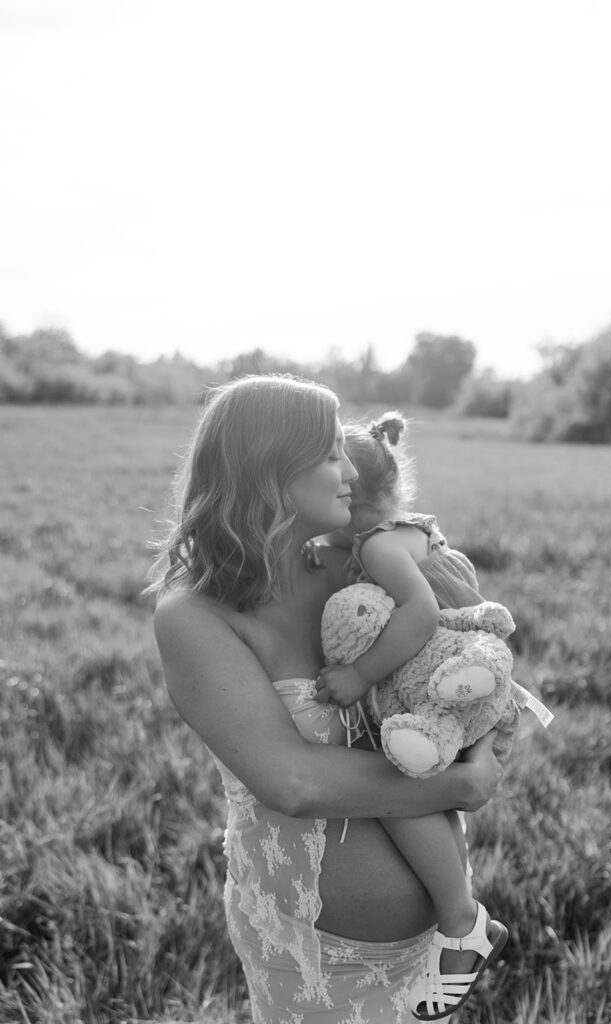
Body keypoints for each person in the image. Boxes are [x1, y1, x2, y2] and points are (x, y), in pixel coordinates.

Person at [149, 374, 503, 1024]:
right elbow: (293, 782)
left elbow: (455, 660)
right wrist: (462, 786)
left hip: (427, 943)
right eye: (329, 453)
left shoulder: (354, 566)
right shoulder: (193, 617)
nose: (350, 470)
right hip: (308, 954)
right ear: (268, 471)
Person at [314, 411, 516, 1020]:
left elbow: (422, 615)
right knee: (425, 790)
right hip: (475, 686)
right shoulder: (412, 531)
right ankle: (455, 915)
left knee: (396, 786)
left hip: (448, 693)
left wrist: (358, 675)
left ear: (348, 496)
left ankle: (462, 922)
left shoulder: (376, 549)